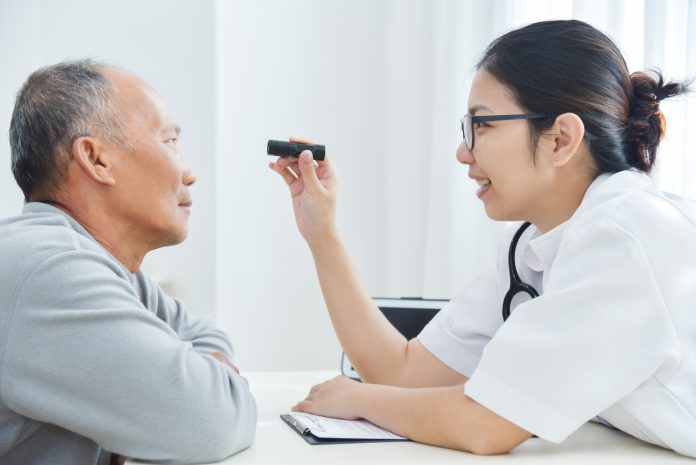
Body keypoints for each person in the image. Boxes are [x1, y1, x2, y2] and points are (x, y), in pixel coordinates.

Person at [269, 20, 696, 457]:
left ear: (561, 139)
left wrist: (357, 399)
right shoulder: (532, 248)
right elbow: (403, 373)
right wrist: (322, 233)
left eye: (483, 125)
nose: (462, 151)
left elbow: (486, 424)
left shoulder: (623, 235)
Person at [0, 60, 257, 465]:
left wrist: (199, 381)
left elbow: (202, 332)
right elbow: (211, 422)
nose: (189, 173)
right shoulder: (52, 270)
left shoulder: (99, 263)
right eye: (169, 141)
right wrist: (202, 388)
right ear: (96, 160)